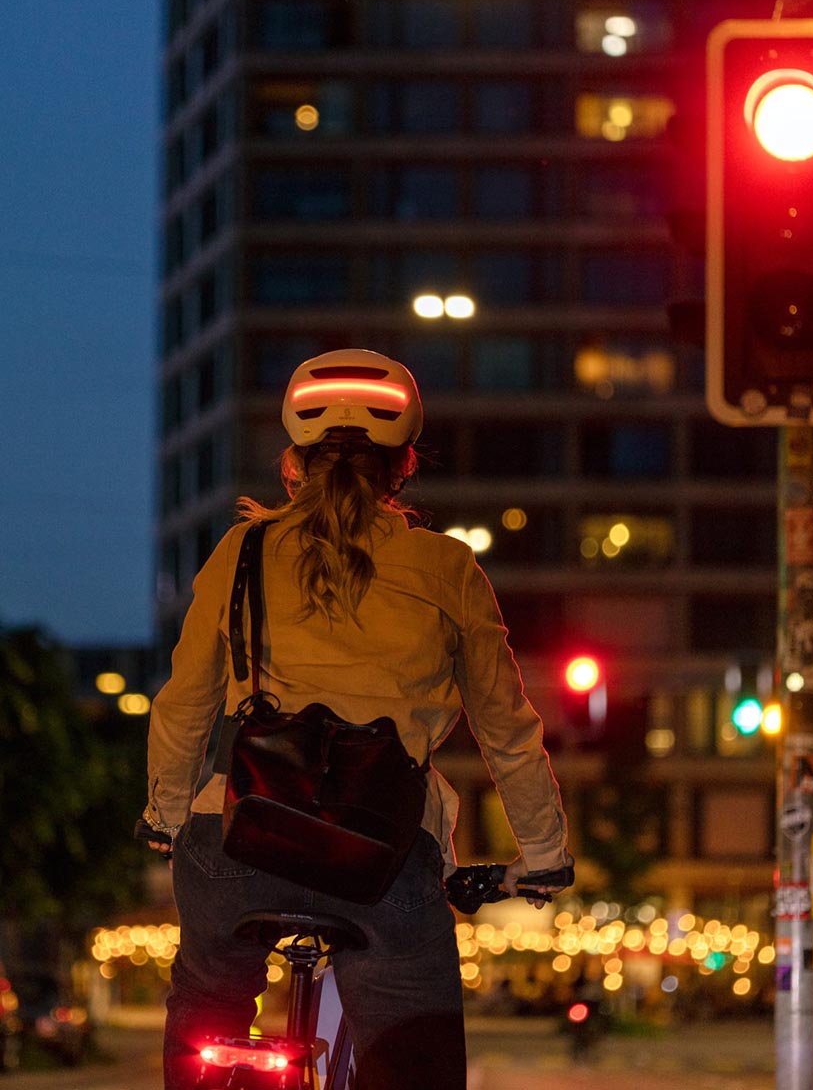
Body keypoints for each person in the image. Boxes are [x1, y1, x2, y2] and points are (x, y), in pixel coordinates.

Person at [142, 348, 573, 1090]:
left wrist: (165, 813)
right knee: (415, 1058)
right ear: (403, 465)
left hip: (235, 837)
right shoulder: (448, 570)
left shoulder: (241, 552)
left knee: (205, 1012)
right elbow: (506, 730)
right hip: (384, 855)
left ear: (293, 461)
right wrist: (542, 853)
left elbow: (184, 703)